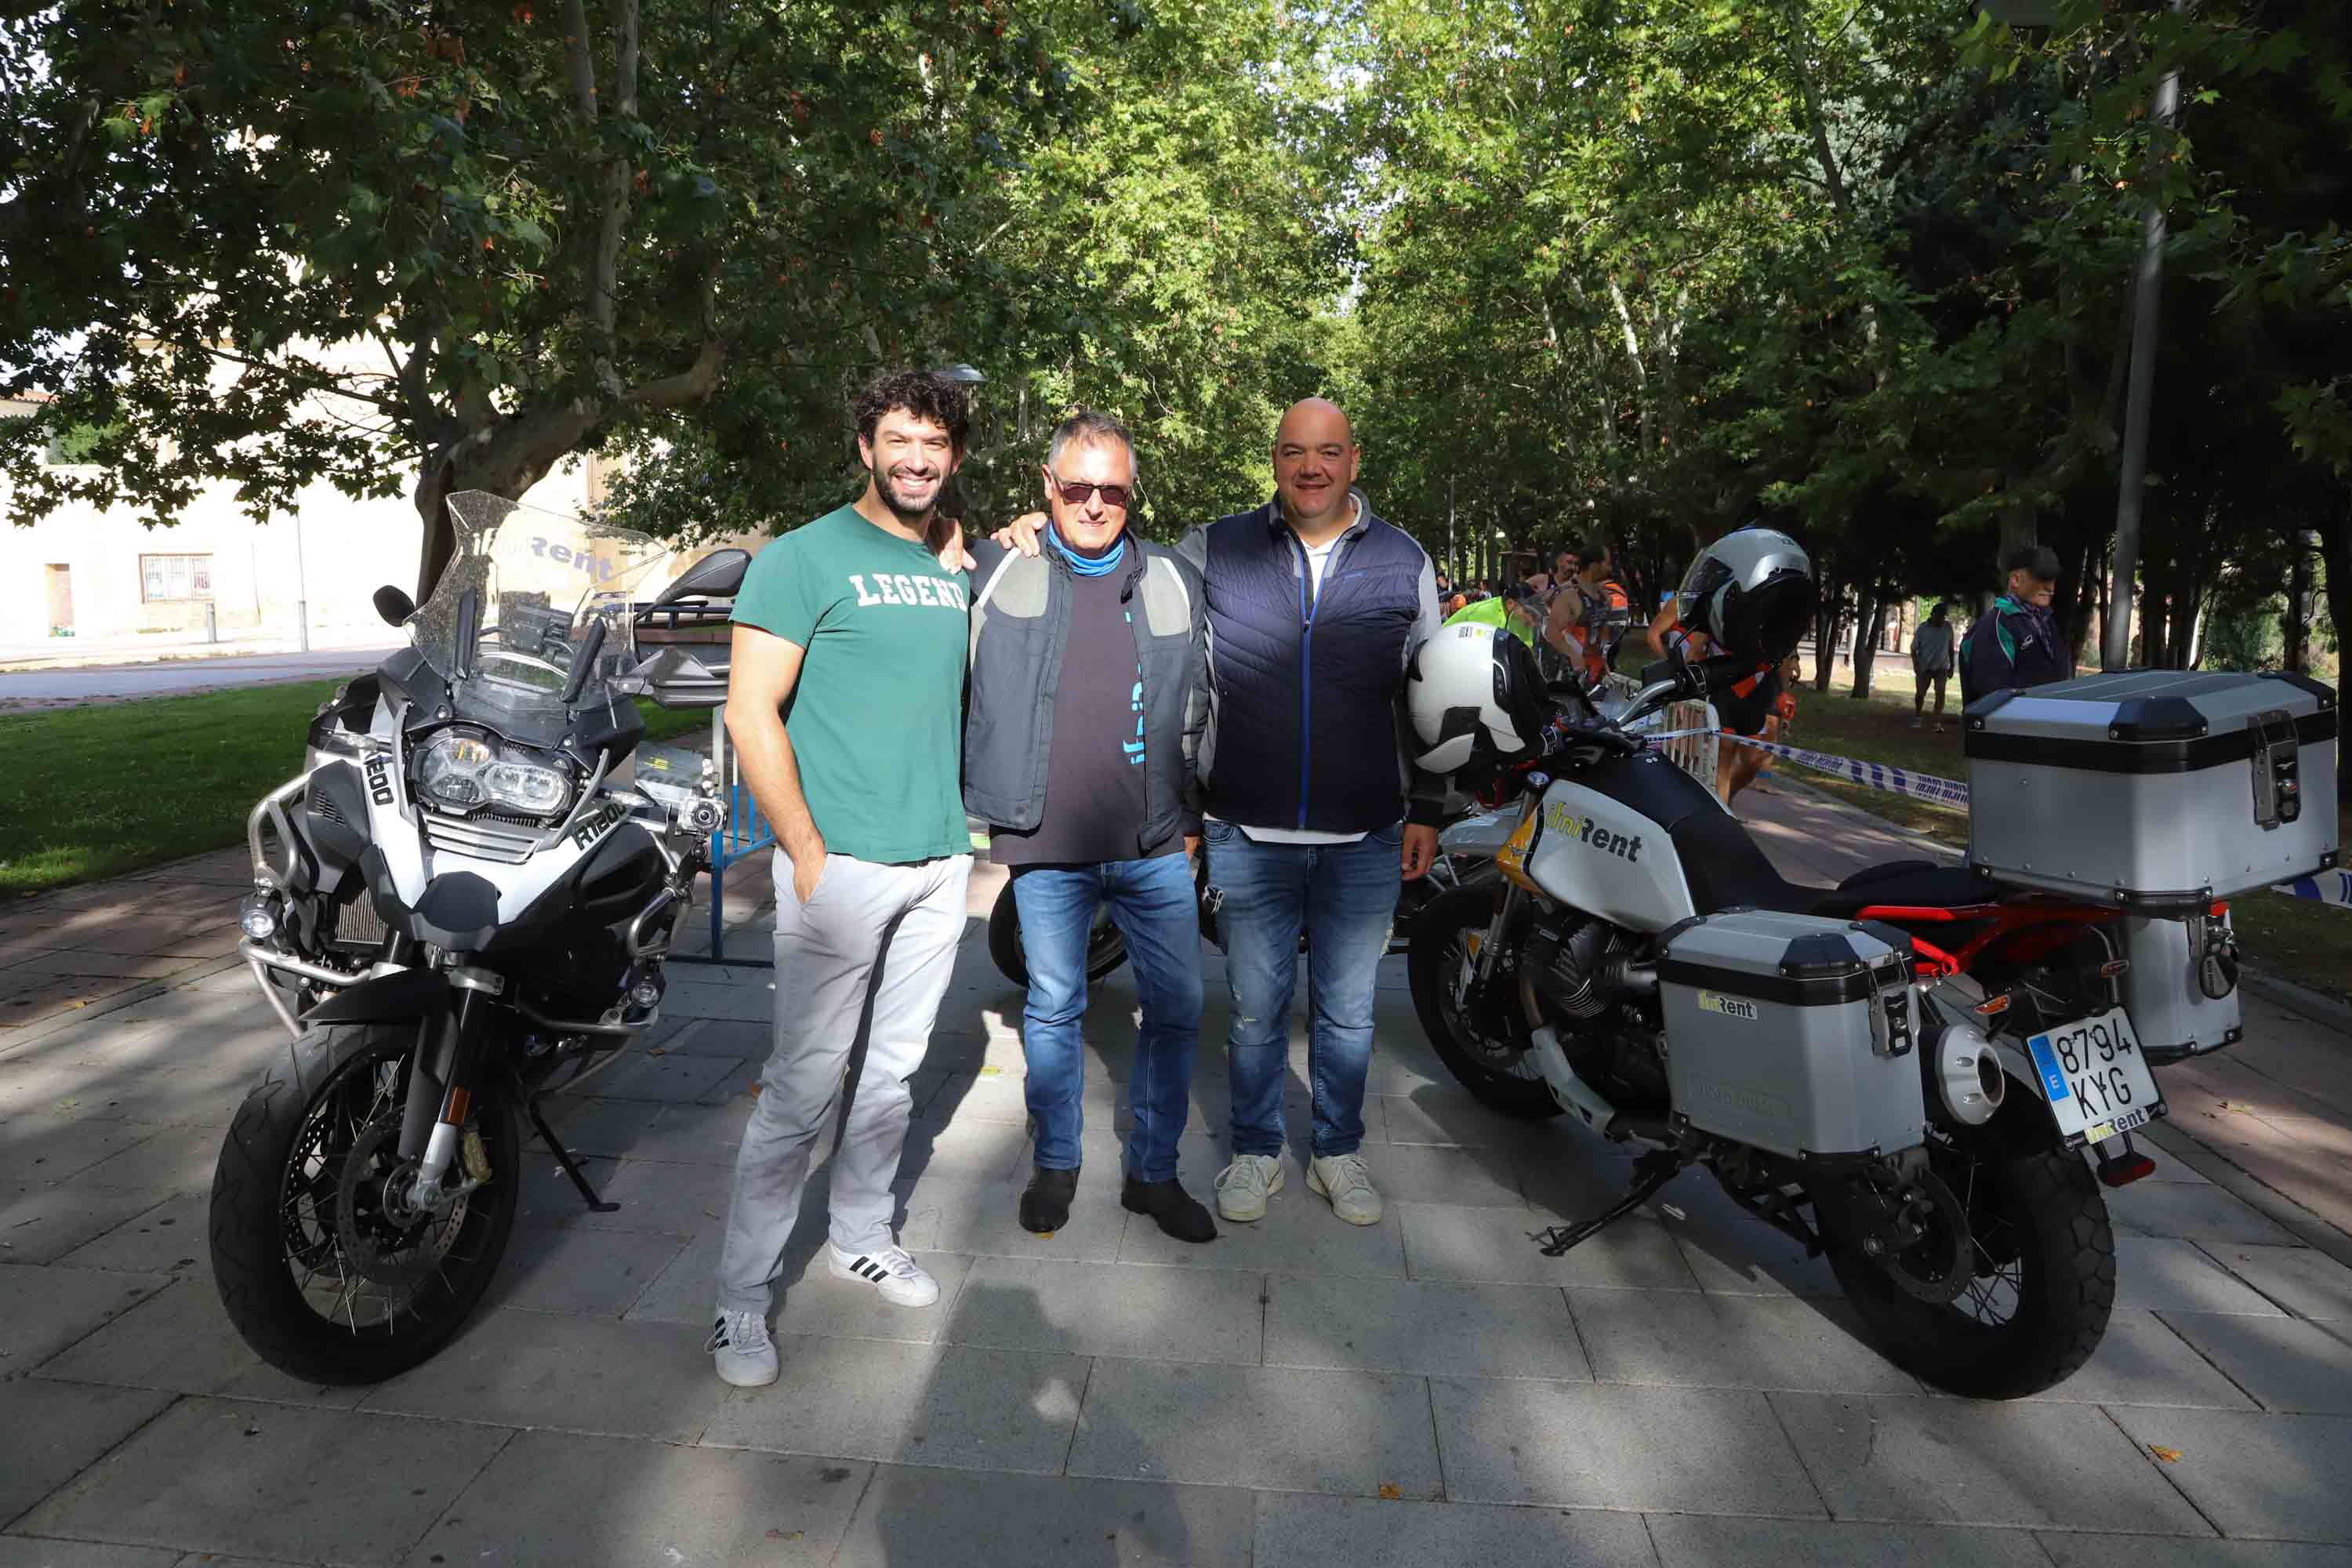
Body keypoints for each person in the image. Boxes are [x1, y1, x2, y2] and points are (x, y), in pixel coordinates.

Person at [993, 397, 1446, 1229]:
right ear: (1273, 459)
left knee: (1346, 1015)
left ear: (1355, 460)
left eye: (1330, 451)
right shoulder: (1215, 550)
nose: (1311, 466)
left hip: (1361, 834)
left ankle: (1337, 1152)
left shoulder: (1403, 559)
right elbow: (1111, 569)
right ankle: (1255, 1149)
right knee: (1249, 1011)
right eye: (1294, 451)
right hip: (1246, 829)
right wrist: (1028, 524)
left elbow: (1430, 694)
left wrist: (1428, 806)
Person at [707, 370, 976, 1388]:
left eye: (936, 442)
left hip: (939, 861)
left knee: (893, 1077)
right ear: (865, 444)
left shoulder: (948, 560)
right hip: (842, 871)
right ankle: (740, 1301)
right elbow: (750, 711)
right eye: (900, 438)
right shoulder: (802, 558)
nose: (916, 457)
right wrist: (807, 853)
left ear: (952, 455)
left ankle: (864, 1230)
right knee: (802, 1092)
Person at [963, 411, 1218, 1244]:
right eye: (1078, 487)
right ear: (1048, 487)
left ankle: (1152, 1172)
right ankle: (1059, 1160)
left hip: (1151, 841)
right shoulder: (1000, 566)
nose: (1096, 503)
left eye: (1113, 489)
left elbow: (1198, 705)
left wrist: (1191, 816)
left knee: (1179, 1002)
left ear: (1130, 491)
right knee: (1055, 1003)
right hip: (1048, 842)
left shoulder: (1175, 577)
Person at [1961, 545, 2072, 702]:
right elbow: (1992, 697)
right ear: (2016, 579)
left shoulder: (2047, 622)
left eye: (2053, 580)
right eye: (2042, 579)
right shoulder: (1995, 626)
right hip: (2010, 724)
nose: (2051, 588)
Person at [1541, 538, 1634, 688]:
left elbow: (1600, 635)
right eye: (1607, 563)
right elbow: (1552, 632)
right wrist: (1573, 655)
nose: (1609, 568)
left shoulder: (1603, 595)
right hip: (1569, 678)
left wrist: (1603, 662)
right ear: (1595, 565)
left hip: (1594, 674)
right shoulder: (1569, 595)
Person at [1444, 575, 1548, 647]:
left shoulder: (1522, 620)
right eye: (1527, 611)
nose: (1532, 620)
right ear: (1511, 603)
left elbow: (1526, 651)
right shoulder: (1483, 613)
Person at [1911, 601, 1955, 731]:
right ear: (1933, 615)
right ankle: (1918, 716)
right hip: (1924, 667)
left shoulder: (1948, 628)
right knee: (1920, 693)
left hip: (1942, 668)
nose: (1942, 619)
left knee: (1940, 692)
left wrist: (1952, 666)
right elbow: (1913, 650)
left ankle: (1937, 721)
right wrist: (1916, 665)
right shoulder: (1922, 629)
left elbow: (1951, 648)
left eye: (1944, 617)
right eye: (1940, 616)